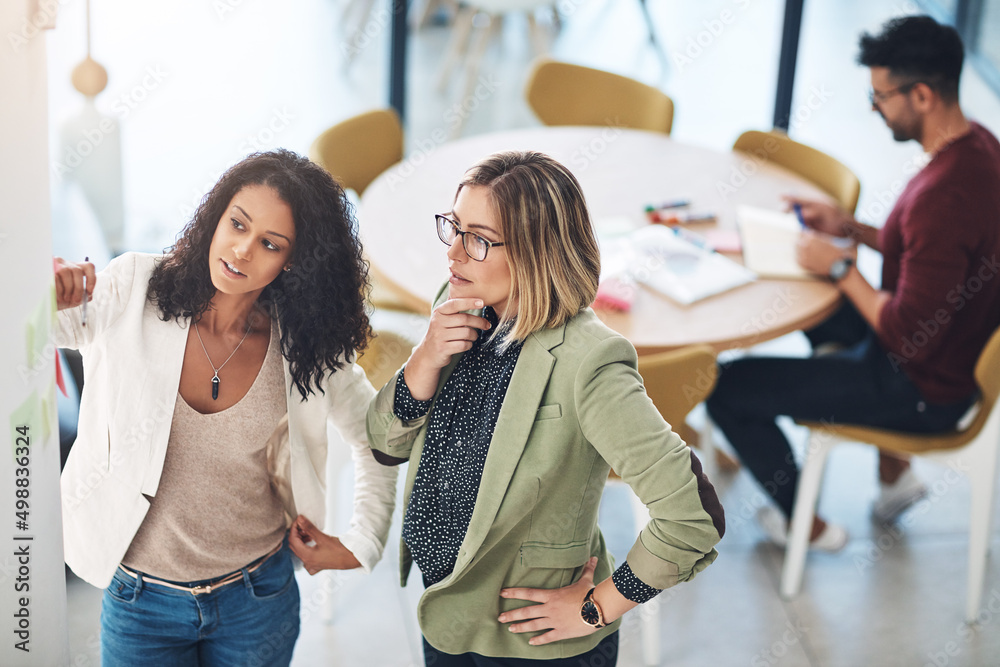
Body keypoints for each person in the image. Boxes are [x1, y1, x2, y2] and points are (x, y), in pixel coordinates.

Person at [294, 150, 724, 665]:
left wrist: (596, 607)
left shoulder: (590, 363)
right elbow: (385, 444)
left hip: (533, 645)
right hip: (447, 614)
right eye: (453, 227)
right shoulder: (462, 305)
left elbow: (693, 517)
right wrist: (426, 357)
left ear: (536, 253)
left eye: (477, 239)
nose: (453, 253)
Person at [53, 149, 398, 666]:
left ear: (293, 262)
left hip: (256, 600)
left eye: (270, 244)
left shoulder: (305, 343)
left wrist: (363, 541)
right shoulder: (132, 289)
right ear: (217, 214)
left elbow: (376, 436)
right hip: (140, 601)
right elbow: (26, 332)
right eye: (237, 223)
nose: (241, 250)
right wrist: (40, 294)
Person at [706, 15, 1000, 550]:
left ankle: (807, 525)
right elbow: (930, 253)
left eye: (881, 96)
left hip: (920, 387)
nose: (873, 107)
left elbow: (910, 330)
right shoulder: (977, 146)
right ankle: (895, 478)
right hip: (945, 349)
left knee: (726, 389)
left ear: (923, 96)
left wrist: (841, 267)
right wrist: (849, 229)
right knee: (825, 308)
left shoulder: (944, 197)